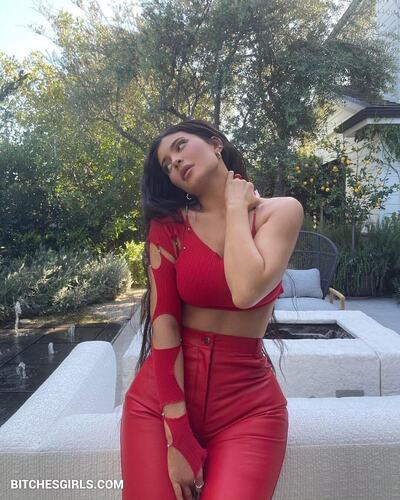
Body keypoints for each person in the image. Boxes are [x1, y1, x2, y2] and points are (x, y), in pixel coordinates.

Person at [120, 118, 304, 500]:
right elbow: (165, 325)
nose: (175, 162)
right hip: (159, 406)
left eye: (180, 146)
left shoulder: (280, 212)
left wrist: (235, 206)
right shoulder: (168, 227)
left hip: (248, 409)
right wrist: (177, 435)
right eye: (167, 165)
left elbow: (246, 290)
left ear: (216, 144)